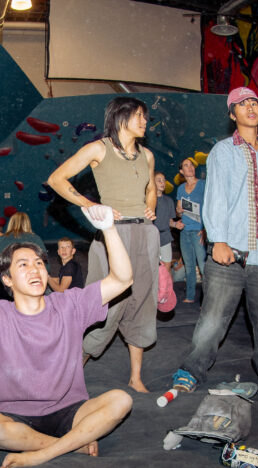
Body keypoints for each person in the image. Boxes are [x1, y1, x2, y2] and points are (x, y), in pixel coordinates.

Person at [0, 209, 134, 468]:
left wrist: (109, 229)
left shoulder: (69, 304)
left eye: (39, 263)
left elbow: (123, 279)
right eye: (23, 264)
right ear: (7, 279)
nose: (35, 269)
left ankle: (39, 453)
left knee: (121, 400)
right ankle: (71, 444)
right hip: (18, 417)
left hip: (71, 410)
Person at [170, 87, 258, 403]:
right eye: (242, 104)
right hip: (228, 254)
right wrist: (218, 239)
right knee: (212, 320)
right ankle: (191, 371)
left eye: (254, 103)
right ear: (232, 114)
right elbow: (216, 198)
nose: (250, 107)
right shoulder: (222, 152)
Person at [47, 96, 159, 393]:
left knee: (142, 303)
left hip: (145, 235)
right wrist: (91, 205)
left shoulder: (147, 155)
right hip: (113, 237)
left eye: (145, 116)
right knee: (103, 305)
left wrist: (150, 205)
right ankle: (70, 374)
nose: (145, 121)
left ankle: (135, 377)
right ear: (121, 117)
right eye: (139, 115)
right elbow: (57, 179)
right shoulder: (99, 148)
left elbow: (150, 190)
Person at [0, 211, 46, 298]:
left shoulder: (0, 240)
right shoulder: (36, 239)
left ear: (11, 223)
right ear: (28, 223)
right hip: (30, 290)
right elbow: (47, 268)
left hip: (5, 291)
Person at [175, 157, 207, 303]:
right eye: (186, 165)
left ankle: (207, 300)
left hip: (198, 230)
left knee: (203, 266)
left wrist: (205, 229)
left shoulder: (203, 185)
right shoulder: (180, 189)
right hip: (185, 231)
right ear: (181, 171)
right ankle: (190, 296)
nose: (190, 167)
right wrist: (179, 211)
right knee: (189, 266)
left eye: (191, 165)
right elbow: (178, 213)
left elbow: (210, 208)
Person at [153, 172, 176, 272]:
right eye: (159, 180)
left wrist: (176, 224)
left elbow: (170, 222)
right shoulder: (147, 201)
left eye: (164, 180)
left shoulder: (169, 201)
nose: (162, 183)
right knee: (153, 269)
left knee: (166, 270)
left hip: (165, 237)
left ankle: (166, 288)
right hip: (151, 239)